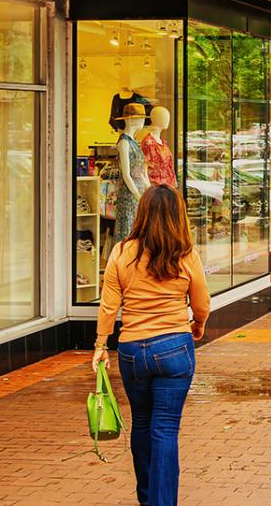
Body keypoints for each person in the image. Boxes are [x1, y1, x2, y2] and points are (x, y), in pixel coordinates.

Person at [94, 185, 211, 506]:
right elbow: (201, 303)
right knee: (165, 430)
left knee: (142, 425)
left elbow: (108, 305)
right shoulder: (186, 254)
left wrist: (100, 344)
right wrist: (198, 325)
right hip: (174, 347)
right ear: (177, 216)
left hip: (132, 351)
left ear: (141, 213)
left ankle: (146, 499)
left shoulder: (121, 252)